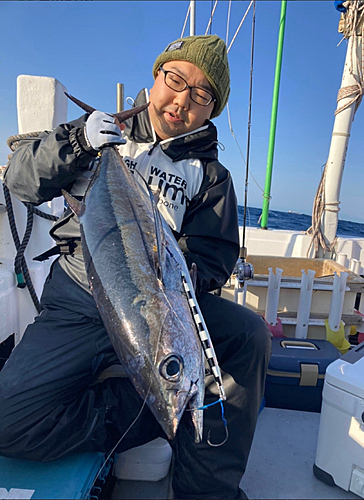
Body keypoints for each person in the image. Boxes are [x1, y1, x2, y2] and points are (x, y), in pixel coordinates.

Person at [0, 35, 271, 499]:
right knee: (6, 422)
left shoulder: (211, 178)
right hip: (81, 300)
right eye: (176, 79)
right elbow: (20, 181)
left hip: (160, 299)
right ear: (156, 76)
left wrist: (161, 269)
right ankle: (148, 407)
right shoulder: (100, 135)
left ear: (212, 109)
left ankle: (204, 490)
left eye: (201, 95)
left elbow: (213, 259)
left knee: (249, 335)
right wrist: (77, 142)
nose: (182, 100)